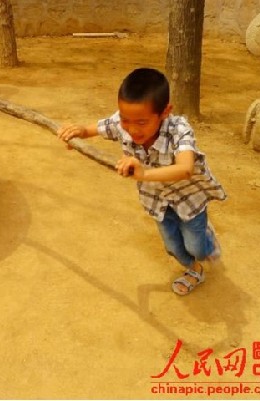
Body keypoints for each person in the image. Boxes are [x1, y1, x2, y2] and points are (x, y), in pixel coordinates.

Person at [58, 68, 227, 296]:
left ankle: (206, 240)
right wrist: (79, 132)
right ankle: (194, 270)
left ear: (165, 112)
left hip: (190, 202)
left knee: (196, 247)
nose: (132, 128)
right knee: (174, 248)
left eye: (141, 122)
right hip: (157, 202)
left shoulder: (179, 129)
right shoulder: (122, 122)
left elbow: (186, 168)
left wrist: (144, 174)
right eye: (126, 120)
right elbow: (96, 128)